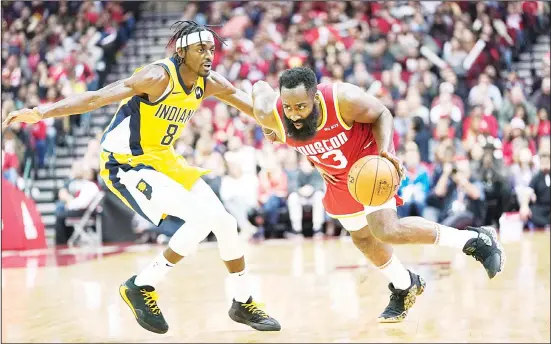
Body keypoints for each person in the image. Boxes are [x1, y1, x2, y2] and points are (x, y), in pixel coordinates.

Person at [3, 21, 280, 334]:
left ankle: (241, 301)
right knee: (202, 220)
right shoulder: (156, 77)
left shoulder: (209, 81)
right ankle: (141, 285)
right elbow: (95, 98)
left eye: (212, 49)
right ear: (182, 51)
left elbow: (248, 103)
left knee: (226, 223)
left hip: (164, 159)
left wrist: (277, 125)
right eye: (201, 49)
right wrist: (42, 111)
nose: (208, 55)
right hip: (125, 163)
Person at [251, 67, 505, 323]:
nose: (293, 113)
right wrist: (267, 122)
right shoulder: (275, 110)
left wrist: (387, 152)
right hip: (340, 178)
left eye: (300, 106)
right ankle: (405, 284)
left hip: (369, 161)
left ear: (315, 98)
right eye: (288, 107)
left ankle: (474, 239)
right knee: (362, 239)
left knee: (385, 229)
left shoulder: (343, 99)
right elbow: (257, 87)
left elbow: (382, 112)